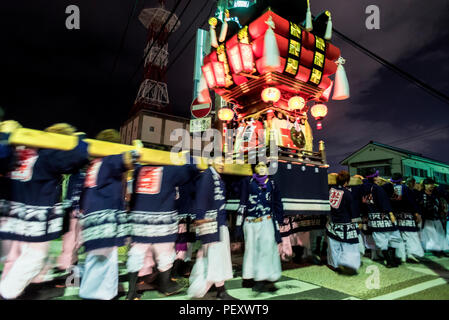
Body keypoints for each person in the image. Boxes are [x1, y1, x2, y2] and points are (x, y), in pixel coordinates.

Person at [0, 123, 89, 300]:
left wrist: (5, 136)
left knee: (12, 260)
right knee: (35, 258)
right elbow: (79, 154)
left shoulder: (18, 150)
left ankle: (13, 291)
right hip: (34, 219)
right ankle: (5, 294)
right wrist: (80, 138)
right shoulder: (49, 155)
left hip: (10, 217)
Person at [78, 129, 139, 300]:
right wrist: (137, 148)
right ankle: (101, 295)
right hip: (105, 217)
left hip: (92, 214)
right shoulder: (109, 159)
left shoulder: (94, 164)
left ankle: (96, 292)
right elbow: (130, 158)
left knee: (96, 258)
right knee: (105, 259)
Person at [125, 159, 199, 300]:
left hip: (140, 221)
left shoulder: (139, 170)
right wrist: (188, 159)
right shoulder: (169, 170)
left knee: (136, 254)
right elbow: (189, 172)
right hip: (162, 223)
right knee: (165, 254)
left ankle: (131, 291)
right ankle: (165, 285)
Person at [187, 157, 235, 300]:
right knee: (215, 257)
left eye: (223, 162)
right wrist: (200, 218)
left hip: (218, 223)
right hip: (211, 223)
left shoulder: (216, 177)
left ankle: (219, 290)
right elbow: (201, 197)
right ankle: (205, 290)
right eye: (219, 161)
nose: (222, 164)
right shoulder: (208, 175)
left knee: (214, 257)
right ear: (211, 161)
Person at [235, 161, 283, 292]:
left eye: (263, 166)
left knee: (267, 249)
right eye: (258, 165)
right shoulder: (247, 182)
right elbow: (243, 203)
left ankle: (266, 279)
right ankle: (249, 277)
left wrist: (279, 219)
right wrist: (238, 225)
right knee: (251, 250)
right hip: (250, 222)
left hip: (266, 220)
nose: (261, 168)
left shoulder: (272, 183)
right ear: (254, 168)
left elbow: (278, 202)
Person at [358, 169, 403, 268]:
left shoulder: (363, 188)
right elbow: (384, 201)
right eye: (377, 177)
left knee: (381, 240)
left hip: (373, 218)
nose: (379, 178)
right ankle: (391, 259)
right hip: (383, 216)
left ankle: (389, 260)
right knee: (393, 237)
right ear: (373, 178)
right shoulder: (377, 188)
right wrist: (390, 213)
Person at [383, 173, 424, 263]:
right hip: (407, 215)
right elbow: (411, 202)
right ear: (401, 180)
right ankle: (412, 253)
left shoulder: (388, 189)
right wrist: (416, 213)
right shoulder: (405, 188)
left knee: (399, 236)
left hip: (395, 215)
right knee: (410, 235)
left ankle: (401, 255)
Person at [326, 171, 361, 275]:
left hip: (332, 223)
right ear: (347, 181)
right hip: (345, 223)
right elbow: (352, 210)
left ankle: (335, 264)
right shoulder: (347, 193)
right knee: (348, 246)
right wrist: (357, 221)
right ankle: (348, 265)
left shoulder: (330, 190)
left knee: (333, 246)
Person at [418, 178, 449, 256]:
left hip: (437, 217)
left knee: (440, 234)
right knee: (432, 234)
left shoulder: (436, 193)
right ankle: (436, 250)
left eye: (432, 184)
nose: (431, 186)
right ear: (424, 185)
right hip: (427, 218)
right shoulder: (421, 194)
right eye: (429, 184)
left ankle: (441, 250)